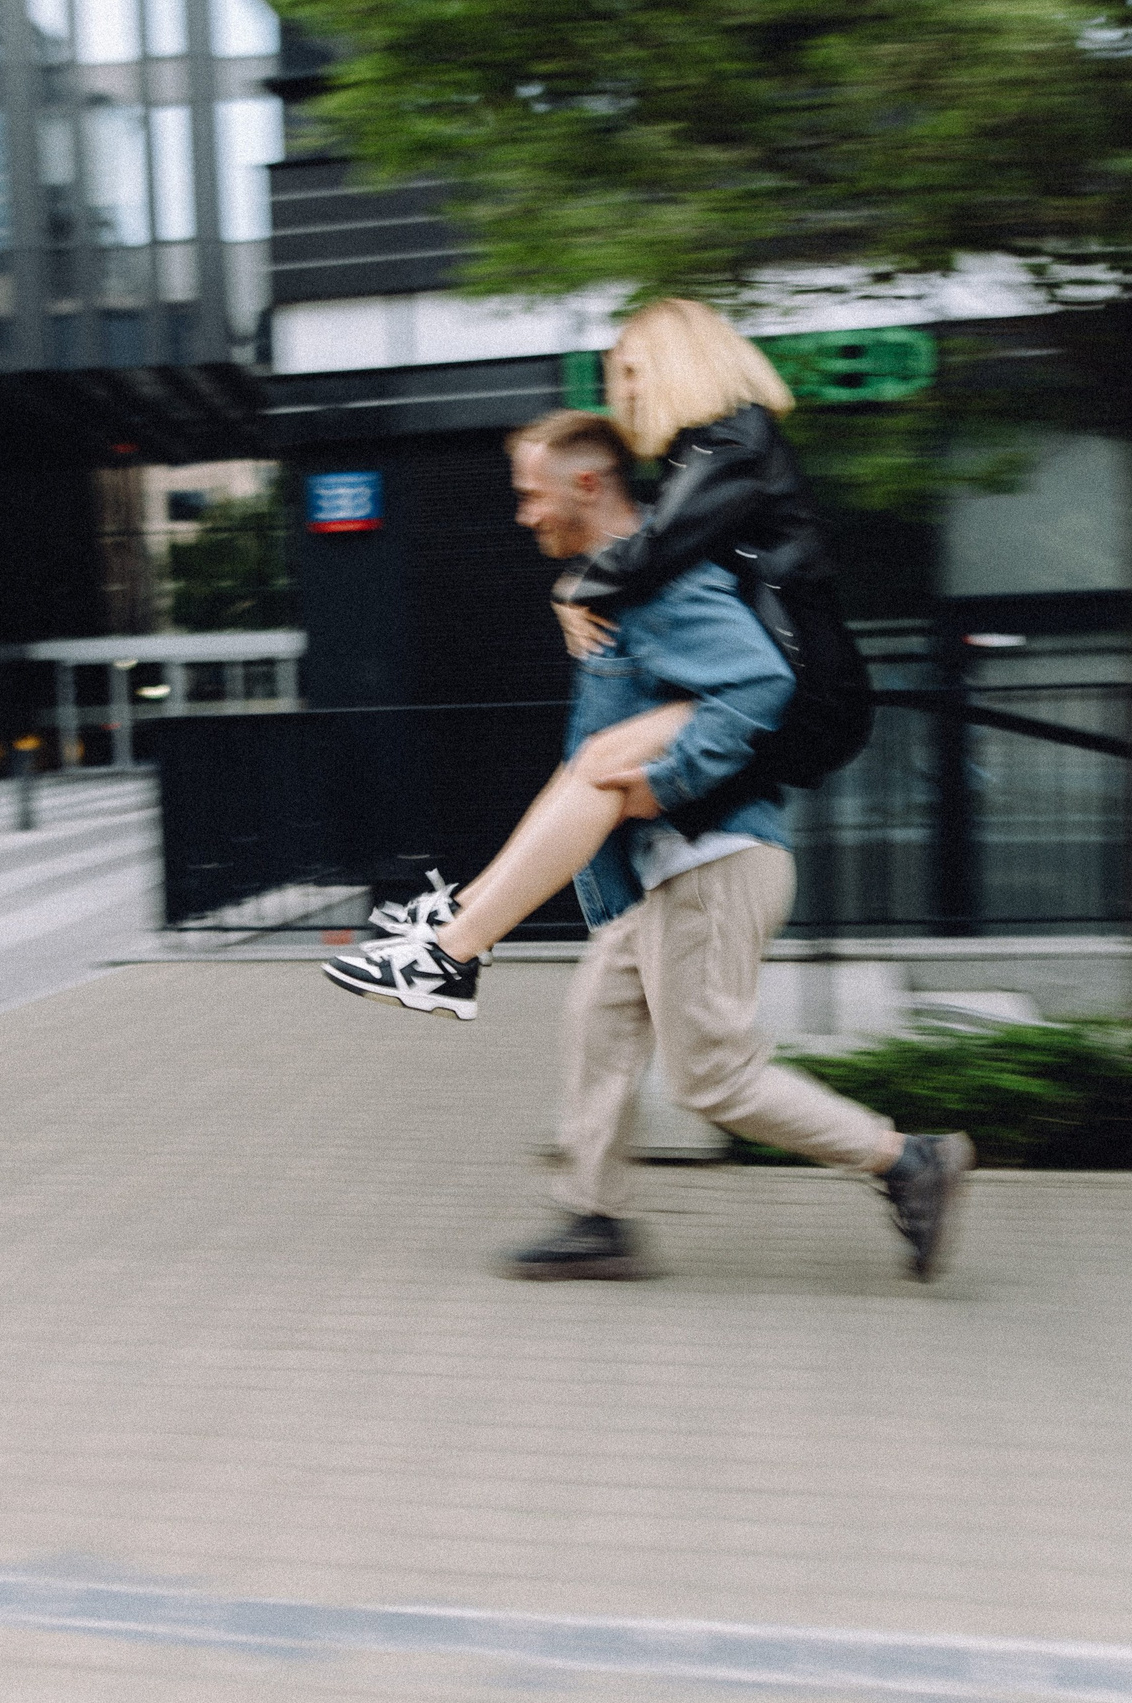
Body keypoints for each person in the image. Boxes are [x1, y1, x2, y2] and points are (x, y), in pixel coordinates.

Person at [350, 405, 974, 1281]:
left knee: (713, 1079)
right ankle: (596, 1217)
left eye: (532, 496)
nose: (524, 515)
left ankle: (908, 1161)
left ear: (589, 482)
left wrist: (668, 780)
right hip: (667, 874)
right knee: (597, 1027)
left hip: (713, 864)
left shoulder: (667, 583)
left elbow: (760, 681)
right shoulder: (616, 586)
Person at [322, 299, 825, 1020]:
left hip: (786, 683)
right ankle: (456, 932)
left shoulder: (731, 446)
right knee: (588, 764)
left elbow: (665, 558)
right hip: (757, 695)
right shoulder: (710, 457)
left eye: (629, 370)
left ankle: (454, 947)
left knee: (712, 1075)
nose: (623, 391)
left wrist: (583, 587)